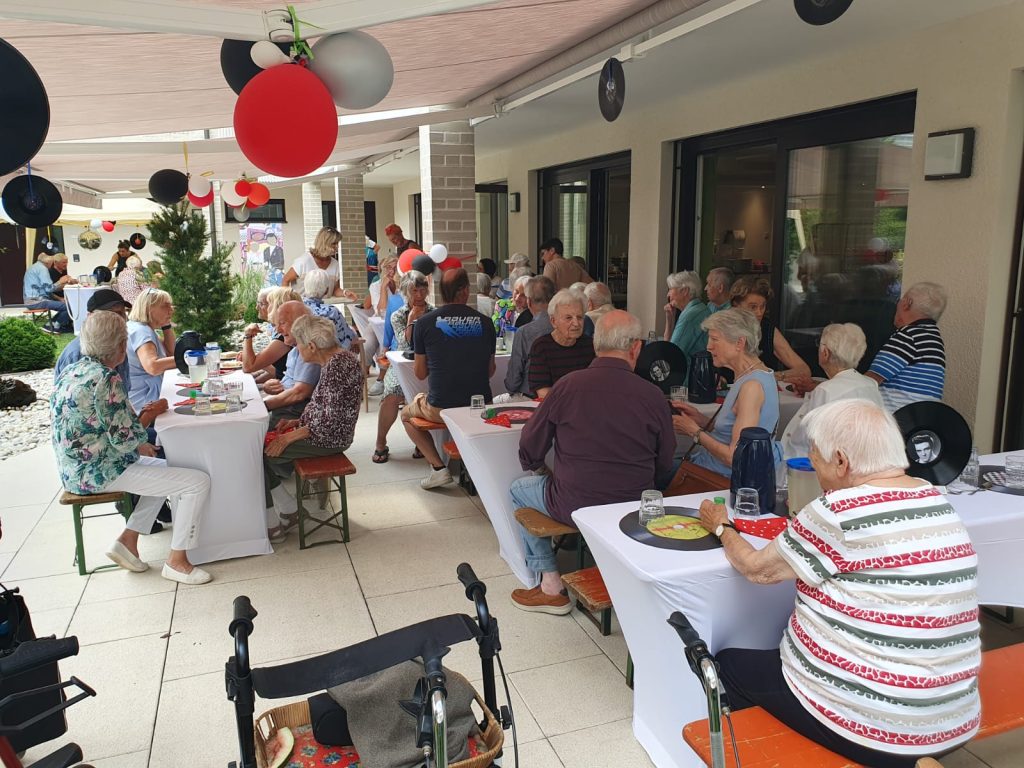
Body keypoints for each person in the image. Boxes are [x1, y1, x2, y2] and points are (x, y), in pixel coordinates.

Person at [697, 399, 979, 768]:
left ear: (842, 461)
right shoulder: (936, 501)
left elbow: (756, 570)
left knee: (725, 666)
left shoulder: (841, 510)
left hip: (877, 724)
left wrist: (721, 526)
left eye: (816, 458)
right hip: (950, 717)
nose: (814, 468)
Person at [511, 310, 676, 613]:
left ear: (596, 345)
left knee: (519, 488)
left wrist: (538, 466)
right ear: (635, 348)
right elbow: (665, 461)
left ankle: (550, 585)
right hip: (632, 505)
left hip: (573, 503)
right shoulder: (652, 395)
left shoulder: (566, 386)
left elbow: (530, 444)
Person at [51, 311, 213, 585]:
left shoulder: (73, 370)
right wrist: (148, 420)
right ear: (117, 346)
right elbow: (125, 440)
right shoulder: (105, 379)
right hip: (98, 472)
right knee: (196, 482)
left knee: (168, 473)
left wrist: (141, 439)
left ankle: (128, 541)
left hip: (75, 470)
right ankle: (177, 561)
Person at [263, 315, 362, 542]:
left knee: (256, 454)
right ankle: (288, 511)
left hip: (329, 439)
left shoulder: (337, 367)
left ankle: (276, 523)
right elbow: (322, 405)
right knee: (257, 448)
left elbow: (329, 421)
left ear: (311, 346)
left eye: (297, 344)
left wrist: (289, 438)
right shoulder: (337, 359)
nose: (296, 349)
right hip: (322, 432)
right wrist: (297, 422)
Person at [401, 268, 495, 489]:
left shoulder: (423, 324)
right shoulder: (486, 322)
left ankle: (438, 468)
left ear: (441, 293)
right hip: (480, 405)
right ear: (465, 291)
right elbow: (490, 370)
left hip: (441, 407)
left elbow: (420, 373)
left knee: (406, 414)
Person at [669, 308, 781, 479]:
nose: (708, 346)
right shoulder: (753, 375)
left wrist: (695, 432)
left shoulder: (752, 386)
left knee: (649, 471)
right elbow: (732, 430)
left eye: (715, 339)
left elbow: (735, 457)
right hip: (708, 465)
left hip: (717, 477)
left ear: (739, 343)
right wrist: (701, 419)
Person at [781, 323, 883, 458]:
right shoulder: (870, 383)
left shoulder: (826, 390)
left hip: (817, 467)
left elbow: (807, 439)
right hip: (861, 459)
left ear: (825, 353)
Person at [373, 271, 433, 464]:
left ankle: (422, 442)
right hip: (401, 364)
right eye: (414, 291)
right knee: (392, 394)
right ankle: (381, 442)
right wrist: (411, 320)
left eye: (422, 290)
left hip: (429, 365)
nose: (419, 295)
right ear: (406, 292)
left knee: (428, 393)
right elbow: (404, 343)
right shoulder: (399, 314)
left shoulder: (433, 312)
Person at [867, 282, 947, 411]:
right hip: (920, 426)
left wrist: (833, 385)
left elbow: (870, 382)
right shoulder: (934, 339)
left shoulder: (909, 336)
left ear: (907, 303)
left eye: (900, 300)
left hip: (895, 423)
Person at [730, 276, 811, 381]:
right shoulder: (722, 328)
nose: (759, 312)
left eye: (762, 306)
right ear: (736, 306)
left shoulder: (767, 329)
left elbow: (804, 370)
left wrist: (774, 376)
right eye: (753, 307)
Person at [54, 288, 133, 389]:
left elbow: (125, 390)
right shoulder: (77, 355)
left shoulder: (119, 346)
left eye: (122, 313)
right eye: (110, 314)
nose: (119, 319)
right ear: (90, 316)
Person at [527, 289, 595, 399]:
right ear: (553, 321)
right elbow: (542, 391)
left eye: (579, 317)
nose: (576, 323)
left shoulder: (590, 345)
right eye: (569, 318)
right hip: (554, 408)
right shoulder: (541, 347)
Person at [263, 301, 320, 422]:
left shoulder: (310, 349)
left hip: (295, 412)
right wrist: (270, 387)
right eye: (276, 325)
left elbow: (299, 393)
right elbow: (290, 383)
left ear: (300, 323)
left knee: (250, 427)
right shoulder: (295, 349)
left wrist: (263, 405)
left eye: (282, 323)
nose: (278, 330)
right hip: (286, 405)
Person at [502, 275, 556, 399]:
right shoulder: (564, 326)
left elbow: (513, 379)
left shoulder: (525, 332)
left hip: (530, 396)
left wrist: (510, 387)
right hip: (561, 395)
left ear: (529, 301)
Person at [125, 288, 177, 412]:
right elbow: (153, 366)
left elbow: (170, 353)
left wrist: (166, 325)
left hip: (139, 398)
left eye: (171, 305)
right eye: (165, 306)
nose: (171, 309)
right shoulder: (142, 332)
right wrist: (190, 359)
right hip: (144, 403)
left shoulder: (139, 328)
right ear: (148, 308)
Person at [241, 287, 300, 383]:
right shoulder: (282, 332)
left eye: (261, 303)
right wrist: (254, 382)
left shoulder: (286, 336)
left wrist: (247, 336)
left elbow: (249, 366)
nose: (257, 307)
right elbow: (276, 370)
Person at [302, 269, 357, 350]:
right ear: (327, 290)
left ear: (305, 286)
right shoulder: (331, 311)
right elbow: (346, 337)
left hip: (305, 353)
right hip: (329, 357)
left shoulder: (297, 308)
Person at [663, 271, 709, 362]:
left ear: (685, 291)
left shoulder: (690, 316)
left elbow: (671, 353)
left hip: (690, 374)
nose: (668, 294)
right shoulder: (700, 308)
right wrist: (670, 319)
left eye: (671, 289)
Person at [23, 252, 73, 334]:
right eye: (52, 262)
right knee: (69, 306)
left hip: (31, 300)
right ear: (48, 263)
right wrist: (60, 281)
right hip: (37, 301)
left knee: (66, 304)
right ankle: (55, 326)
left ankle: (50, 325)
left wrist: (59, 298)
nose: (52, 265)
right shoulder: (42, 269)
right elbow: (49, 288)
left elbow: (45, 289)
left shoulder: (34, 267)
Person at [282, 226, 341, 295]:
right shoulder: (304, 261)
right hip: (301, 305)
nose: (337, 247)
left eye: (337, 243)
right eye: (334, 243)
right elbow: (285, 280)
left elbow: (335, 290)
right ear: (324, 243)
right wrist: (288, 300)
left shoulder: (335, 264)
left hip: (324, 305)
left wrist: (346, 293)